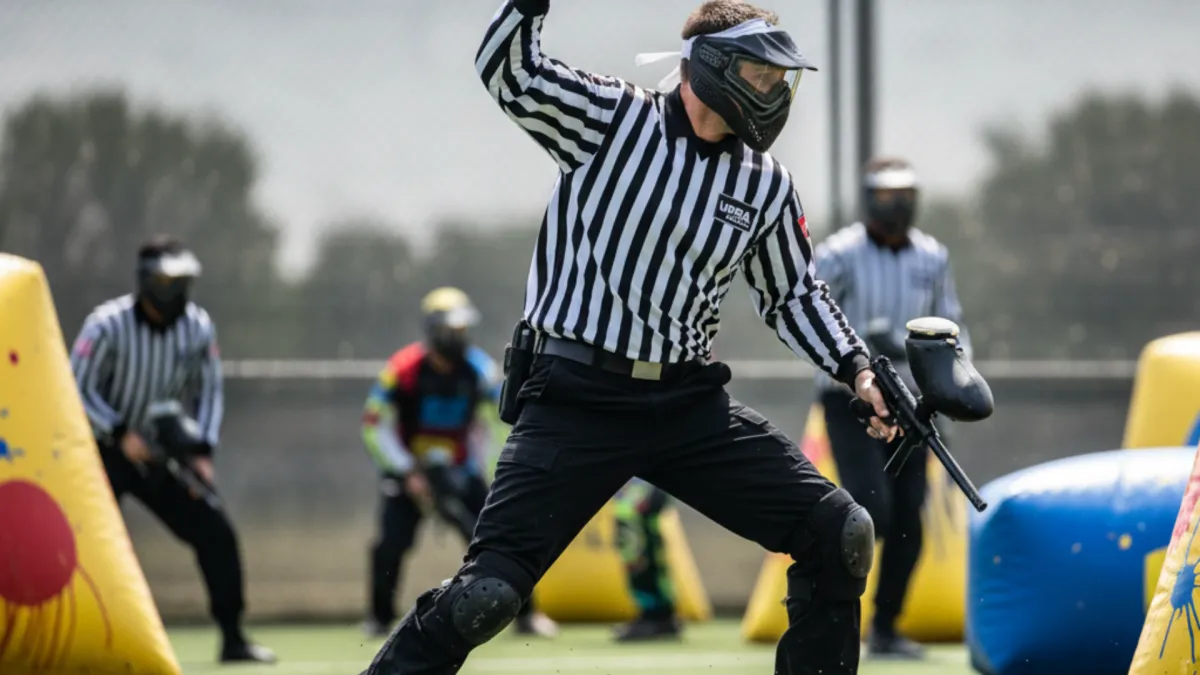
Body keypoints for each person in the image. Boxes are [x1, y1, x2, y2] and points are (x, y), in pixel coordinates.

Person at [362, 2, 899, 674]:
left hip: (688, 406)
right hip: (575, 398)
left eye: (778, 79)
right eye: (759, 75)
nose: (772, 92)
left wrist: (859, 369)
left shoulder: (766, 184)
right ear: (710, 66)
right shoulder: (611, 117)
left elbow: (793, 294)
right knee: (486, 595)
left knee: (838, 531)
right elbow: (511, 72)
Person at [69, 236, 275, 665]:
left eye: (182, 282)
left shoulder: (197, 327)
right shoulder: (106, 325)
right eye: (167, 282)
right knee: (83, 543)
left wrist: (202, 449)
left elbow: (209, 390)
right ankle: (74, 637)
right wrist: (119, 433)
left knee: (215, 533)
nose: (176, 291)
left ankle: (233, 638)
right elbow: (76, 387)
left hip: (158, 452)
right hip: (100, 452)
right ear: (146, 281)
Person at [813, 156, 973, 658]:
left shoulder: (931, 257)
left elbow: (951, 326)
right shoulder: (839, 254)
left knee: (909, 520)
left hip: (913, 405)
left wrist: (955, 385)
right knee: (870, 508)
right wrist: (856, 356)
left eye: (904, 196)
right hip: (850, 400)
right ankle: (831, 613)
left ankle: (885, 627)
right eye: (886, 196)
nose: (896, 205)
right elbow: (809, 309)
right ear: (869, 199)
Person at [361, 287, 558, 640]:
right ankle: (379, 618)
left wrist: (495, 470)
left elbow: (501, 421)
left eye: (463, 329)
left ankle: (528, 615)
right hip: (412, 476)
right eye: (451, 330)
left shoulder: (479, 369)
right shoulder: (402, 370)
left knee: (502, 539)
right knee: (390, 545)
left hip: (462, 473)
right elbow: (374, 425)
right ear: (432, 329)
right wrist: (406, 471)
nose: (459, 337)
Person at [611, 478, 682, 642]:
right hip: (633, 475)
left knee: (637, 537)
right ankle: (656, 613)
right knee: (633, 539)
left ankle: (658, 614)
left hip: (645, 475)